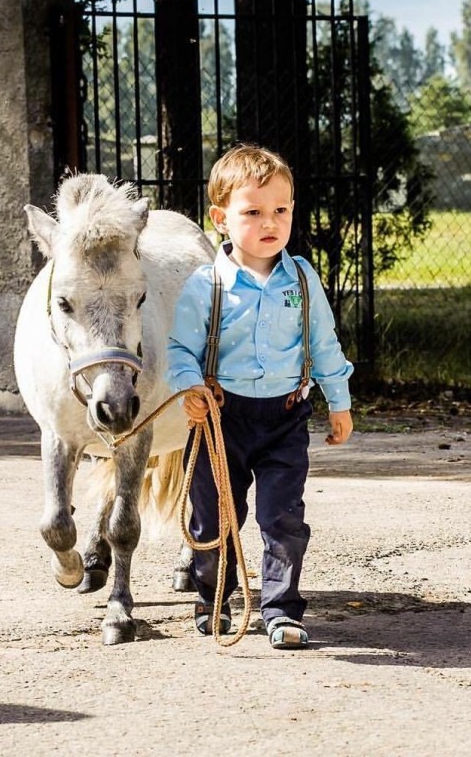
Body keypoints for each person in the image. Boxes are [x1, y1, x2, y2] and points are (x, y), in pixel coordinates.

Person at [166, 143, 354, 650]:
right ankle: (213, 597)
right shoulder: (208, 284)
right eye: (252, 212)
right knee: (216, 515)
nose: (270, 222)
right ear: (221, 218)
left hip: (285, 416)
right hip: (221, 418)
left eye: (281, 210)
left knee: (282, 516)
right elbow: (180, 349)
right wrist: (189, 386)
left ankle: (281, 610)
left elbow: (325, 344)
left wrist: (339, 401)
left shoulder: (302, 279)